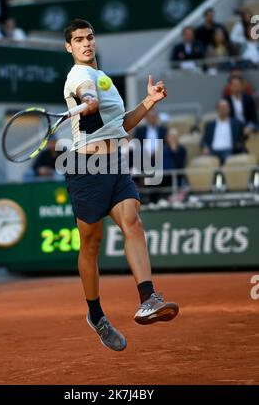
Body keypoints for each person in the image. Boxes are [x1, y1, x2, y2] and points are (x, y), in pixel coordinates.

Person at [62, 18, 179, 352]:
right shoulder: (78, 77)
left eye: (90, 37)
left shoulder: (103, 79)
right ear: (69, 47)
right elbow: (84, 92)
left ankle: (148, 298)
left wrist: (148, 102)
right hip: (85, 169)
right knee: (91, 244)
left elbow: (121, 126)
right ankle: (96, 315)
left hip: (115, 164)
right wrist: (88, 100)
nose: (86, 43)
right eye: (79, 40)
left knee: (133, 222)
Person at [201, 99, 245, 164]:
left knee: (227, 158)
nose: (223, 110)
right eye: (221, 108)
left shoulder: (237, 124)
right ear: (217, 109)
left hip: (229, 151)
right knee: (204, 161)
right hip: (213, 151)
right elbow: (204, 140)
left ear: (229, 109)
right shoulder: (210, 125)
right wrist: (205, 147)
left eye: (225, 107)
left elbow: (243, 137)